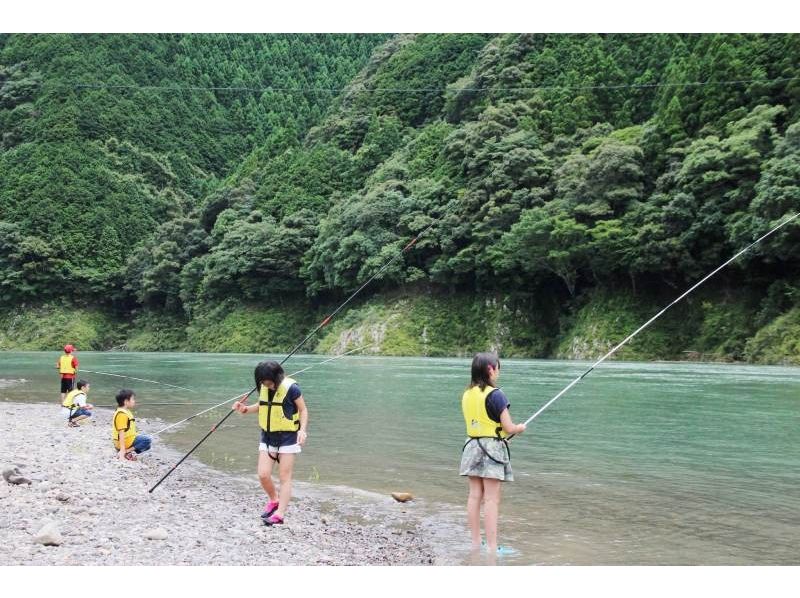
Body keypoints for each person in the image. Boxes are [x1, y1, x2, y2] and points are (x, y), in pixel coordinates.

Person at [459, 352, 525, 554]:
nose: (498, 373)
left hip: (471, 446)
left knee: (474, 496)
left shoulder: (467, 394)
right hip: (491, 450)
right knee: (491, 499)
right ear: (490, 369)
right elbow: (508, 426)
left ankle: (476, 543)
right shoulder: (496, 394)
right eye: (497, 368)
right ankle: (493, 548)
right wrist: (519, 428)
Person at [232, 360, 308, 526]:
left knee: (284, 477)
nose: (267, 384)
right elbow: (263, 406)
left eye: (269, 381)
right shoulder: (264, 387)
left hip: (288, 437)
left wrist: (302, 430)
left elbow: (303, 410)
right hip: (267, 436)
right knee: (263, 474)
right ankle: (274, 499)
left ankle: (280, 514)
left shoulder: (292, 388)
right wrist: (245, 409)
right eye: (263, 381)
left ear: (277, 376)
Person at [112, 389, 152, 461]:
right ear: (126, 402)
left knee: (147, 445)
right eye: (133, 399)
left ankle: (127, 452)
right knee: (147, 439)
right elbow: (121, 433)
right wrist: (122, 450)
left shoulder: (125, 411)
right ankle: (125, 452)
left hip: (128, 440)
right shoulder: (122, 414)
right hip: (123, 442)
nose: (134, 401)